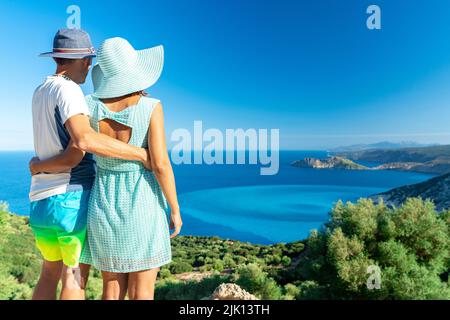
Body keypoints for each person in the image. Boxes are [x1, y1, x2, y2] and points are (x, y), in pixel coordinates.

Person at [32, 36, 183, 300]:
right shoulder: (151, 107)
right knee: (141, 293)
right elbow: (160, 164)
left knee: (110, 292)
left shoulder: (89, 105)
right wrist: (175, 208)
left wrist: (39, 165)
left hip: (102, 204)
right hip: (142, 202)